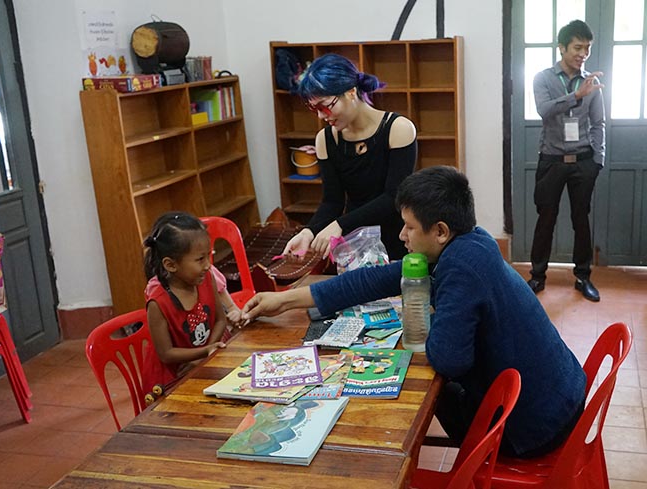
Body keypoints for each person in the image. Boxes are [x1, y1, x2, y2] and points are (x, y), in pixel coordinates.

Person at [243, 166, 586, 458]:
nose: (401, 235)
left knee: (418, 397)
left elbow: (451, 359)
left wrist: (427, 314)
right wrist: (285, 299)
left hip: (536, 427)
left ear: (440, 231)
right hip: (560, 394)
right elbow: (377, 279)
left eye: (408, 226)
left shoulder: (461, 269)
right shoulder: (472, 241)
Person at [283, 53, 417, 261]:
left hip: (398, 240)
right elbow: (332, 202)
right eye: (314, 109)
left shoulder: (398, 129)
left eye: (325, 105)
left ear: (351, 92)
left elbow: (394, 198)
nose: (321, 116)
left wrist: (340, 224)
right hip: (355, 246)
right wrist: (308, 232)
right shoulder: (325, 140)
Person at [528, 19, 605, 302]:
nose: (583, 53)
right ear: (561, 48)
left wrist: (598, 160)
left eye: (587, 48)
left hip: (584, 161)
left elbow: (599, 123)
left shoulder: (592, 83)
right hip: (551, 160)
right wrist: (576, 95)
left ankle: (583, 276)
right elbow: (544, 110)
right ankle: (537, 275)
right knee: (545, 219)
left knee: (580, 219)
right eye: (577, 47)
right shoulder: (543, 78)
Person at [141, 212, 228, 395]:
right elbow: (166, 353)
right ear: (171, 265)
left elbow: (221, 320)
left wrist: (207, 353)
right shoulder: (158, 302)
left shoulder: (207, 278)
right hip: (172, 379)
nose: (207, 265)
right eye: (199, 259)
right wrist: (205, 353)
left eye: (208, 256)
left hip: (203, 363)